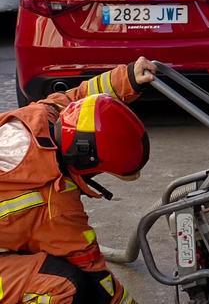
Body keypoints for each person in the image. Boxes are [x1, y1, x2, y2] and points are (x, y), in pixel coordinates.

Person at [0, 58, 157, 303]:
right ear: (85, 160)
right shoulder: (55, 205)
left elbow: (81, 98)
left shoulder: (42, 116)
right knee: (62, 285)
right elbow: (95, 273)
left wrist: (127, 78)